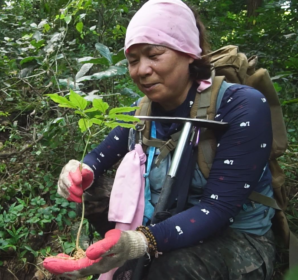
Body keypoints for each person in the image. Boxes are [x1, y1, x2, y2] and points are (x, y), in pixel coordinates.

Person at [43, 0, 276, 279]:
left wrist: (141, 242)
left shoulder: (241, 106)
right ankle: (114, 252)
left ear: (188, 52)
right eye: (133, 61)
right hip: (164, 219)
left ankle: (135, 251)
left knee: (171, 269)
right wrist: (80, 171)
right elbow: (97, 159)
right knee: (92, 190)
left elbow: (219, 209)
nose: (141, 70)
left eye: (154, 54)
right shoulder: (142, 113)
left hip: (237, 236)